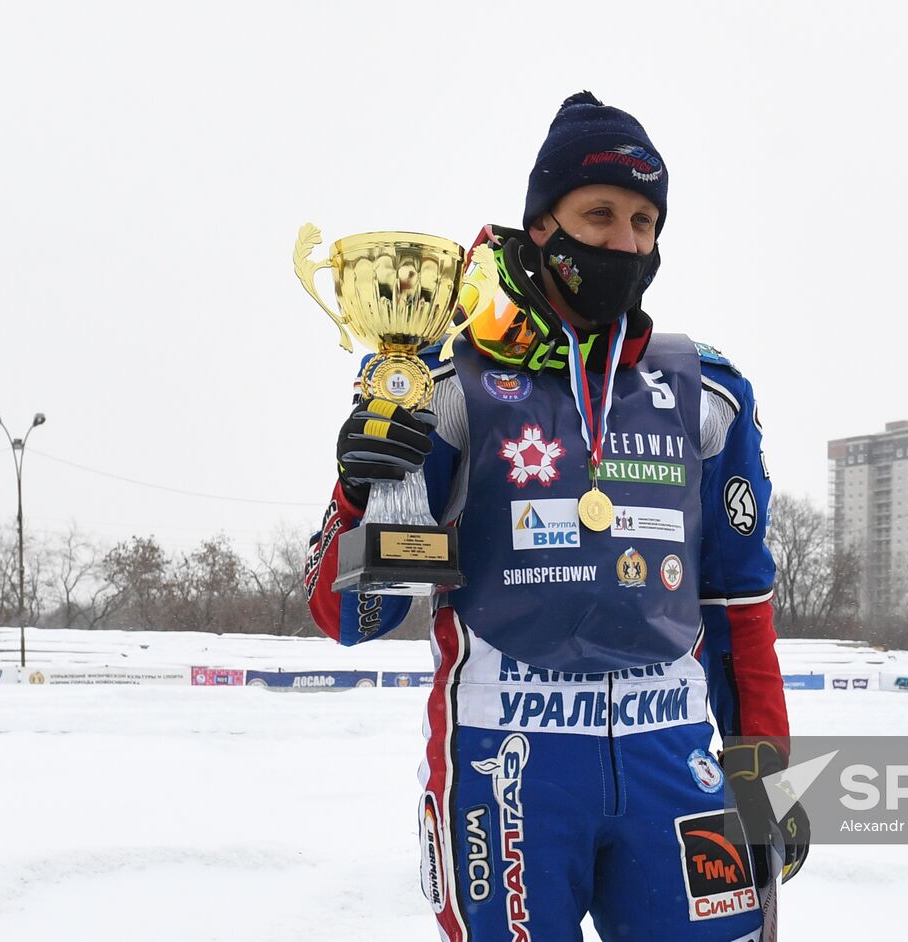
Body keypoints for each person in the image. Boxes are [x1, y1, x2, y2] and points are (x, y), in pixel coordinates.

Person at [305, 91, 808, 941]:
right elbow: (356, 615)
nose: (626, 242)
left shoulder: (706, 390)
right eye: (600, 213)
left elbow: (739, 604)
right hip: (509, 761)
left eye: (646, 221)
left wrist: (765, 771)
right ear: (541, 225)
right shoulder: (443, 378)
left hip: (672, 757)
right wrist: (365, 488)